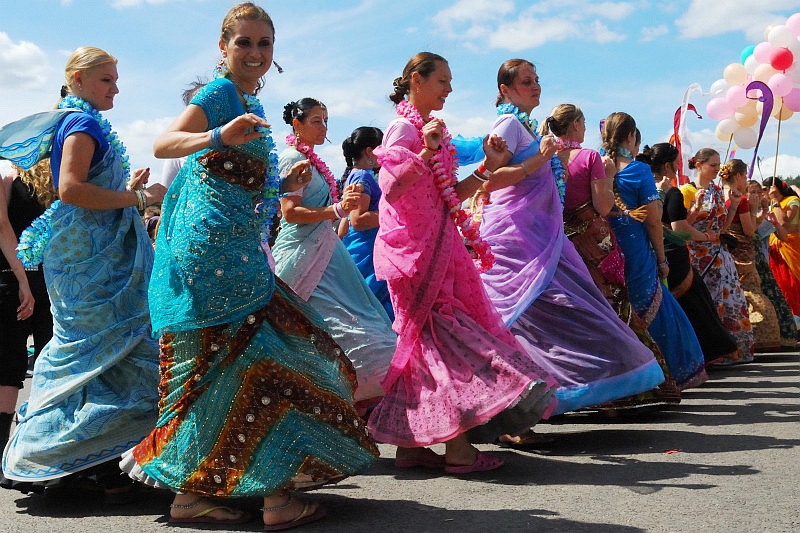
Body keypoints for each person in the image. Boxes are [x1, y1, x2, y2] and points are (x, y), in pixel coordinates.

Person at [120, 4, 378, 529]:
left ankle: (194, 497)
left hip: (234, 250)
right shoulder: (218, 97)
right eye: (245, 43)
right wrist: (218, 135)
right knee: (270, 358)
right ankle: (273, 499)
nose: (256, 53)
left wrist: (277, 185)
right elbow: (165, 144)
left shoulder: (249, 102)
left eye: (264, 44)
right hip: (213, 257)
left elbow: (230, 179)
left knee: (229, 367)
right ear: (223, 47)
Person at [367, 52, 558, 472]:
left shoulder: (427, 128)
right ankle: (458, 449)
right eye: (443, 81)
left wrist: (488, 167)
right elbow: (392, 187)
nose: (450, 89)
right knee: (447, 341)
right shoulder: (402, 128)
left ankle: (410, 445)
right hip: (417, 254)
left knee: (425, 346)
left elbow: (448, 189)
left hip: (439, 245)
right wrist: (426, 149)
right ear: (416, 80)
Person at [0, 46, 165, 497]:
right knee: (102, 352)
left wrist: (124, 189)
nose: (116, 87)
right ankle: (63, 460)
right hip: (91, 261)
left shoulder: (76, 122)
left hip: (88, 254)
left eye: (115, 78)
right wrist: (140, 199)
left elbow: (78, 188)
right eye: (107, 80)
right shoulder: (83, 123)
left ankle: (87, 462)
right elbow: (71, 190)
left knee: (95, 356)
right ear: (76, 78)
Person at [477, 61, 665, 418]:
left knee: (561, 314)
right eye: (526, 82)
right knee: (540, 317)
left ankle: (547, 396)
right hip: (519, 237)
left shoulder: (524, 126)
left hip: (542, 233)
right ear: (505, 89)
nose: (536, 87)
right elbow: (491, 180)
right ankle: (516, 405)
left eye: (536, 80)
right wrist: (542, 159)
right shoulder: (508, 124)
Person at [540, 105, 680, 409]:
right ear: (576, 125)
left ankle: (581, 387)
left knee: (578, 309)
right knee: (614, 305)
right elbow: (604, 207)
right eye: (584, 123)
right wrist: (611, 175)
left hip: (561, 242)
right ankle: (628, 386)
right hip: (594, 239)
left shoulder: (545, 157)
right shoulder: (589, 157)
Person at [272, 98, 396, 407]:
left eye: (326, 120)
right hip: (303, 254)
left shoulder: (310, 160)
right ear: (296, 124)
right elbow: (290, 212)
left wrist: (340, 208)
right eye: (316, 120)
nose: (323, 127)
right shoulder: (292, 158)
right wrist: (339, 208)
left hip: (325, 251)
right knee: (336, 331)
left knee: (355, 327)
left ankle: (348, 410)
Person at [601, 113, 707, 389]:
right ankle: (666, 375)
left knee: (616, 311)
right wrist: (661, 259)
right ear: (629, 137)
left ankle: (625, 380)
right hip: (636, 251)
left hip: (604, 250)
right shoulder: (637, 171)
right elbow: (653, 222)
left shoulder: (597, 166)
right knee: (656, 310)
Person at [640, 143, 739, 364]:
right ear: (667, 166)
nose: (679, 167)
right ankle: (701, 355)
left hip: (649, 253)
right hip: (674, 255)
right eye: (676, 163)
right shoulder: (673, 191)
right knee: (694, 305)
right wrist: (706, 237)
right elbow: (678, 229)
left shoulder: (643, 188)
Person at [0, 162, 55, 473]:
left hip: (16, 279)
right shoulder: (55, 178)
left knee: (9, 368)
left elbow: (3, 226)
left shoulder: (9, 176)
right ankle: (43, 454)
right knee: (48, 363)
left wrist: (22, 280)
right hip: (43, 281)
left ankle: (9, 454)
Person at [686, 148, 754, 363]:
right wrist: (696, 208)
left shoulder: (716, 191)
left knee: (728, 300)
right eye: (713, 165)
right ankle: (709, 354)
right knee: (705, 303)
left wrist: (733, 205)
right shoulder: (686, 190)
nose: (718, 169)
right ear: (699, 165)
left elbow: (722, 227)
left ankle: (729, 351)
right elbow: (680, 226)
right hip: (697, 255)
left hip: (719, 255)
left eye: (718, 165)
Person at [719, 160, 782, 352]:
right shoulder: (742, 200)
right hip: (742, 252)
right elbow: (749, 230)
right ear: (738, 176)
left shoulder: (721, 194)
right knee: (751, 290)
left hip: (726, 248)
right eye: (745, 175)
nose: (746, 179)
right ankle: (760, 337)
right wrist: (756, 211)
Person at [340, 126, 394, 321]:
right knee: (372, 306)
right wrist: (394, 214)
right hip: (366, 250)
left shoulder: (358, 175)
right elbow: (358, 220)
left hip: (364, 246)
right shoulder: (362, 176)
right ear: (370, 152)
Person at [748, 179, 797, 348]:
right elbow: (749, 231)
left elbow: (783, 235)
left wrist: (773, 220)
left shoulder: (772, 211)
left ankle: (780, 337)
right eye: (752, 192)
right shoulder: (742, 211)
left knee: (775, 298)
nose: (757, 195)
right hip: (745, 261)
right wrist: (759, 214)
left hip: (763, 261)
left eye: (758, 192)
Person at [763, 177, 800, 318]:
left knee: (793, 283)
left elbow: (784, 222)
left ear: (775, 188)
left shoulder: (792, 201)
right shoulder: (771, 204)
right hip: (775, 246)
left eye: (765, 189)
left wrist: (776, 203)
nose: (763, 192)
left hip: (791, 246)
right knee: (781, 283)